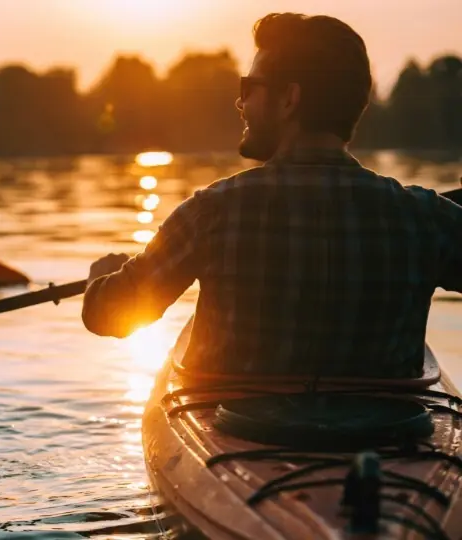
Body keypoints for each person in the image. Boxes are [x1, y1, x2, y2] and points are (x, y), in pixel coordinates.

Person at [81, 12, 462, 379]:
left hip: (246, 434)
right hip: (392, 436)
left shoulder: (211, 213)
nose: (240, 103)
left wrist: (101, 278)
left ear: (288, 99)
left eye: (249, 88)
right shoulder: (424, 218)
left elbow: (109, 316)